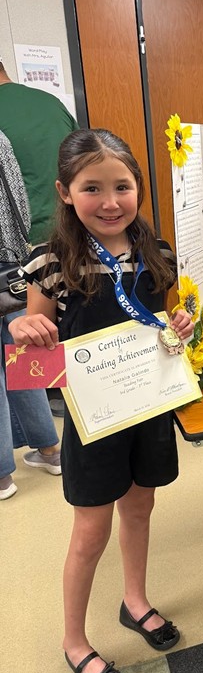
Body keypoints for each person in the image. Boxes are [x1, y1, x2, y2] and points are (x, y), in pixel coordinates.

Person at [9, 129, 193, 673]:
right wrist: (25, 330)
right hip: (93, 420)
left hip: (149, 409)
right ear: (65, 192)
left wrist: (181, 327)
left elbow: (167, 326)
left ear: (139, 188)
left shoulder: (158, 253)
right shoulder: (52, 262)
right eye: (92, 188)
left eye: (122, 186)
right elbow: (36, 358)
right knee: (90, 532)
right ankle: (74, 641)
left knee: (140, 508)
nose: (110, 202)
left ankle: (134, 601)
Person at [0, 57, 79, 417]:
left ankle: (46, 425)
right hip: (70, 235)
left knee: (27, 338)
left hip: (19, 248)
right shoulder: (50, 103)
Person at [0, 130, 61, 501]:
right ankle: (50, 450)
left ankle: (2, 477)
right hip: (10, 269)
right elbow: (18, 199)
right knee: (23, 357)